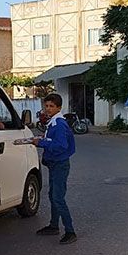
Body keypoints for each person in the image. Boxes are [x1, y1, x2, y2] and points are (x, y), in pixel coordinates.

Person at [32, 93, 77, 245]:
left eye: (52, 106)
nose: (48, 109)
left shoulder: (58, 124)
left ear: (59, 107)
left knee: (58, 198)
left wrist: (41, 143)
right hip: (54, 164)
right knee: (53, 195)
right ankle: (53, 225)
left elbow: (61, 146)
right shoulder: (53, 122)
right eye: (47, 106)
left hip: (60, 164)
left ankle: (70, 231)